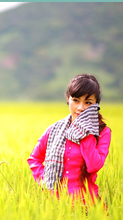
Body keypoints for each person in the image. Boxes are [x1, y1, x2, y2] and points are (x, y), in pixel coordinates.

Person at [27, 74, 111, 205]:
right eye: (76, 100)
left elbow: (94, 166)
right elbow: (34, 159)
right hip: (54, 204)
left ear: (96, 105)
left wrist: (85, 132)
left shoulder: (102, 133)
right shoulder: (54, 129)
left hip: (87, 204)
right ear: (68, 99)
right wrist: (45, 180)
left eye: (88, 102)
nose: (81, 108)